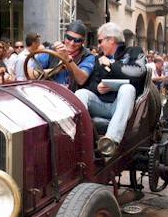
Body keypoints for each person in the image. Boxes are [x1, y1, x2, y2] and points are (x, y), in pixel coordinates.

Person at [75, 22, 146, 156]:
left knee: (127, 88)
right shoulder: (98, 59)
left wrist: (112, 65)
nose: (99, 44)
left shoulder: (134, 51)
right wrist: (97, 87)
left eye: (101, 40)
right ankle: (78, 136)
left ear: (111, 40)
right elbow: (89, 84)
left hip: (124, 106)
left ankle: (111, 141)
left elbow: (138, 74)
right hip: (101, 104)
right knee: (81, 93)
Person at [34, 19, 96, 92]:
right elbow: (32, 74)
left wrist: (67, 59)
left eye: (77, 40)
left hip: (72, 97)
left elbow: (81, 80)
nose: (72, 43)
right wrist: (55, 70)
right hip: (50, 94)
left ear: (83, 41)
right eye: (69, 38)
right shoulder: (52, 49)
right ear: (65, 36)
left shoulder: (87, 56)